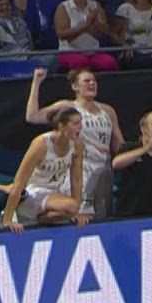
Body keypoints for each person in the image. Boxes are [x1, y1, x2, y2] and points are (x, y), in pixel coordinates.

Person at [25, 66, 122, 218]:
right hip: (80, 170)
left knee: (103, 216)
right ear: (75, 86)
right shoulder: (68, 107)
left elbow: (118, 143)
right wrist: (36, 82)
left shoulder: (107, 110)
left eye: (94, 80)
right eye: (87, 81)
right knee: (78, 217)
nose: (92, 83)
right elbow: (32, 116)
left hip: (103, 170)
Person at [1, 107, 89, 231]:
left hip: (52, 196)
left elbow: (77, 178)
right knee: (71, 205)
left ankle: (41, 219)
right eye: (75, 124)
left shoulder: (77, 144)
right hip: (31, 193)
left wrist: (76, 213)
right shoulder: (41, 144)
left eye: (80, 123)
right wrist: (8, 219)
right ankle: (12, 215)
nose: (80, 127)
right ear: (62, 126)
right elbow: (19, 182)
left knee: (72, 208)